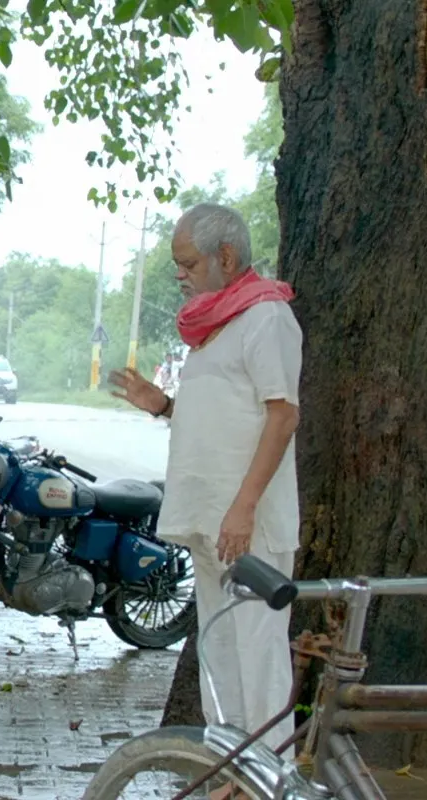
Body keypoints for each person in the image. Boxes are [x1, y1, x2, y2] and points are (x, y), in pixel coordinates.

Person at [109, 203, 301, 788]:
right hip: (208, 521)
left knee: (259, 653)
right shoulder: (214, 325)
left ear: (227, 256)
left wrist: (243, 507)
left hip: (249, 523)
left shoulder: (267, 316)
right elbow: (222, 418)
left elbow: (283, 416)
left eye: (188, 263)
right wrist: (162, 406)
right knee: (220, 654)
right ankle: (232, 776)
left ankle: (271, 781)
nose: (180, 274)